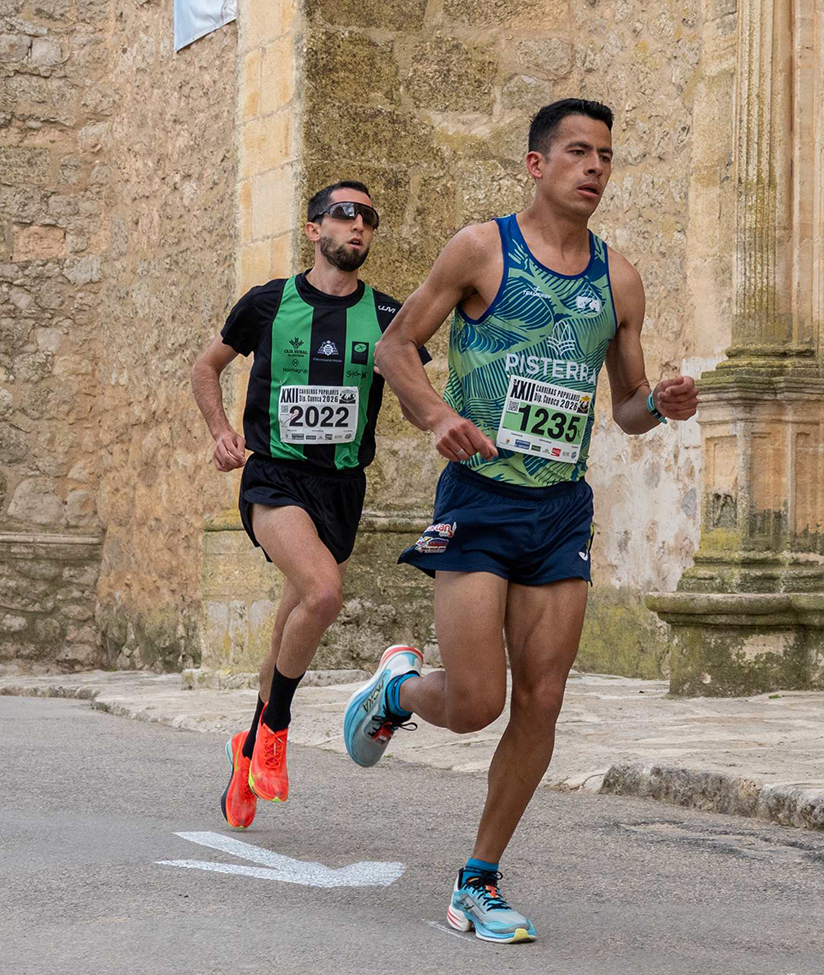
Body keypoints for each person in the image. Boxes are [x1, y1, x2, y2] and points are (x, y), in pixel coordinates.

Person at [344, 99, 699, 943]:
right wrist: (435, 416)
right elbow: (395, 348)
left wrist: (662, 402)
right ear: (536, 164)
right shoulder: (481, 248)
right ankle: (396, 688)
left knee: (541, 699)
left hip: (559, 507)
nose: (595, 168)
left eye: (606, 155)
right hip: (480, 499)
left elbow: (624, 408)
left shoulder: (618, 279)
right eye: (578, 152)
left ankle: (479, 878)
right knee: (474, 703)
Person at [190, 180, 427, 830]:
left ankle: (247, 747)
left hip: (341, 489)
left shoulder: (387, 317)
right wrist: (219, 432)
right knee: (323, 594)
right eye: (344, 213)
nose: (358, 225)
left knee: (293, 618)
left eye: (368, 217)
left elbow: (415, 391)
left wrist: (432, 411)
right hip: (273, 478)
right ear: (314, 227)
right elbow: (205, 368)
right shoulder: (270, 303)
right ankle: (277, 729)